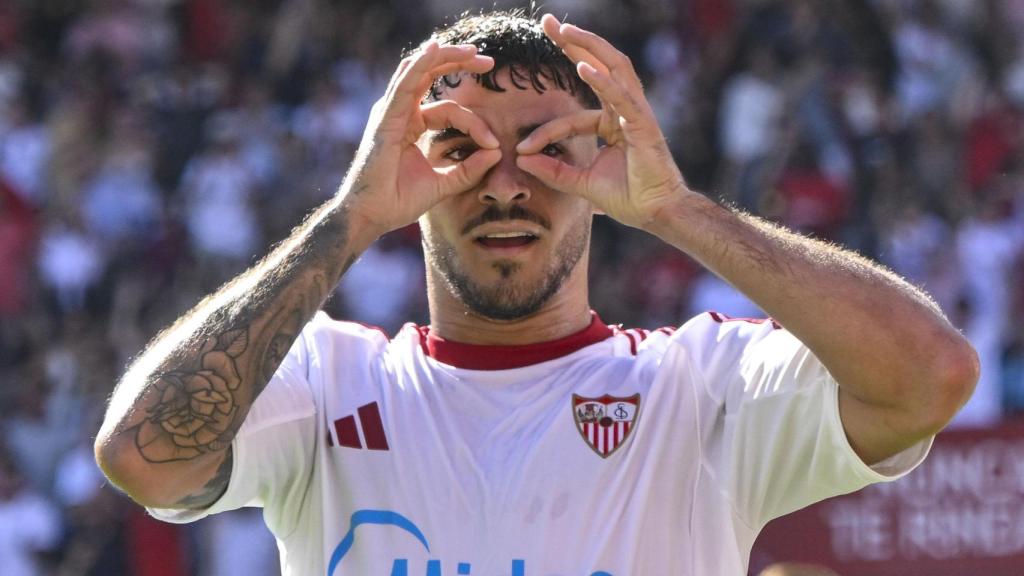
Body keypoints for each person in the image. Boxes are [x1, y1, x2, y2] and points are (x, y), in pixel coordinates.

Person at [94, 10, 979, 575]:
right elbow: (144, 457)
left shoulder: (698, 388)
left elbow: (928, 377)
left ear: (606, 165)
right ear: (407, 170)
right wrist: (348, 219)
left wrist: (677, 211)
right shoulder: (326, 378)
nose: (507, 184)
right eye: (462, 150)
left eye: (551, 147)